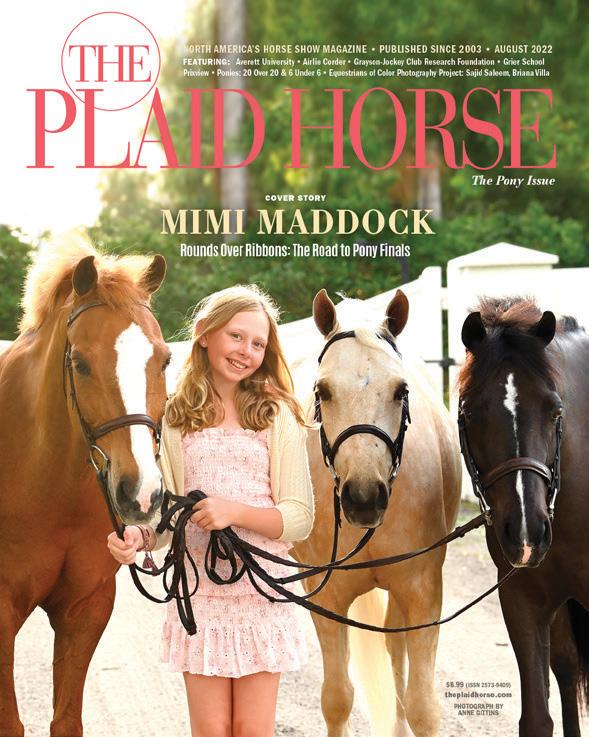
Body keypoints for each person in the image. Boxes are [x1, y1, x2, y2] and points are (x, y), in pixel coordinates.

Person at [107, 284, 314, 737]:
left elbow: (298, 518)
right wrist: (139, 537)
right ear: (204, 333)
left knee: (252, 729)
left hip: (262, 592)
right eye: (236, 336)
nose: (246, 351)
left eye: (257, 343)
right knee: (211, 729)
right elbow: (168, 519)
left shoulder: (275, 413)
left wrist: (233, 512)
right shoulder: (175, 417)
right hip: (200, 594)